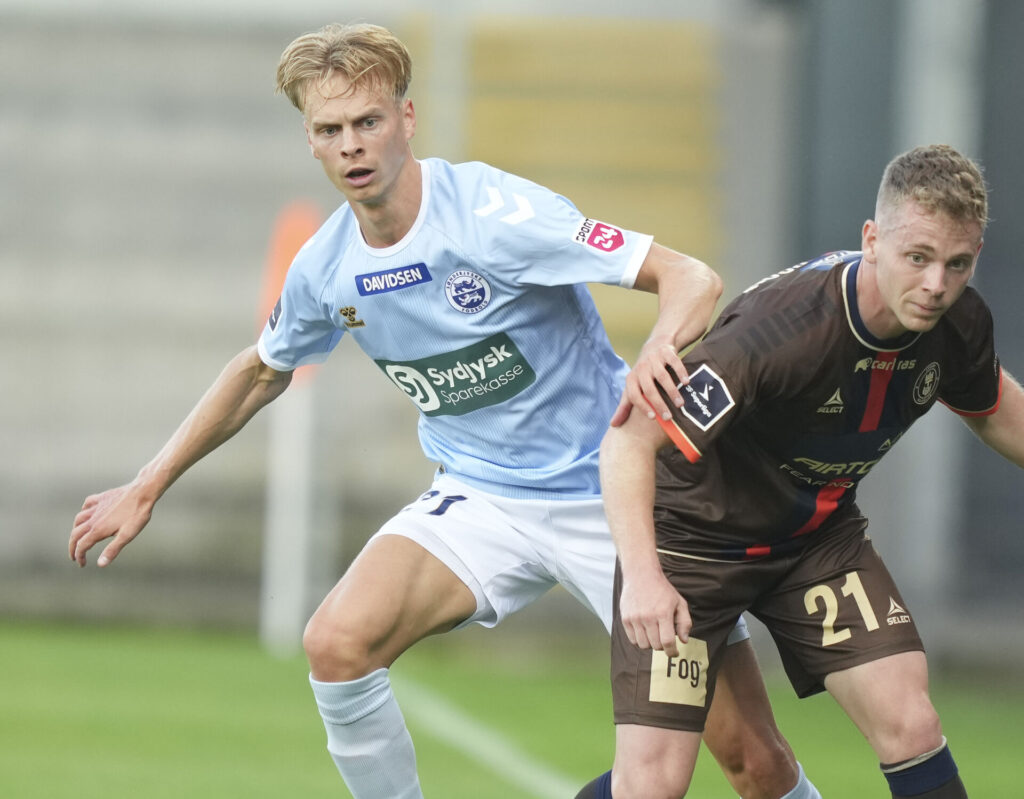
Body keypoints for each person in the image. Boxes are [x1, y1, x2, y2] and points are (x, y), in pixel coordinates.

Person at [68, 22, 821, 799]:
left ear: (407, 118)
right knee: (336, 641)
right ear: (310, 141)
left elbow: (688, 276)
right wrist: (148, 483)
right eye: (331, 130)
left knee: (751, 760)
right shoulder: (328, 267)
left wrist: (663, 346)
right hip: (483, 497)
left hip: (615, 495)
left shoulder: (493, 214)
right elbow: (261, 370)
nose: (353, 146)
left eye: (369, 122)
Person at [576, 143, 1024, 799]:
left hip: (814, 541)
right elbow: (628, 444)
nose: (935, 285)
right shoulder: (778, 334)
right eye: (918, 258)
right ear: (873, 240)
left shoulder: (957, 323)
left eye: (957, 264)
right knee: (657, 784)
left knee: (912, 721)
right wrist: (643, 579)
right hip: (690, 546)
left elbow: (995, 408)